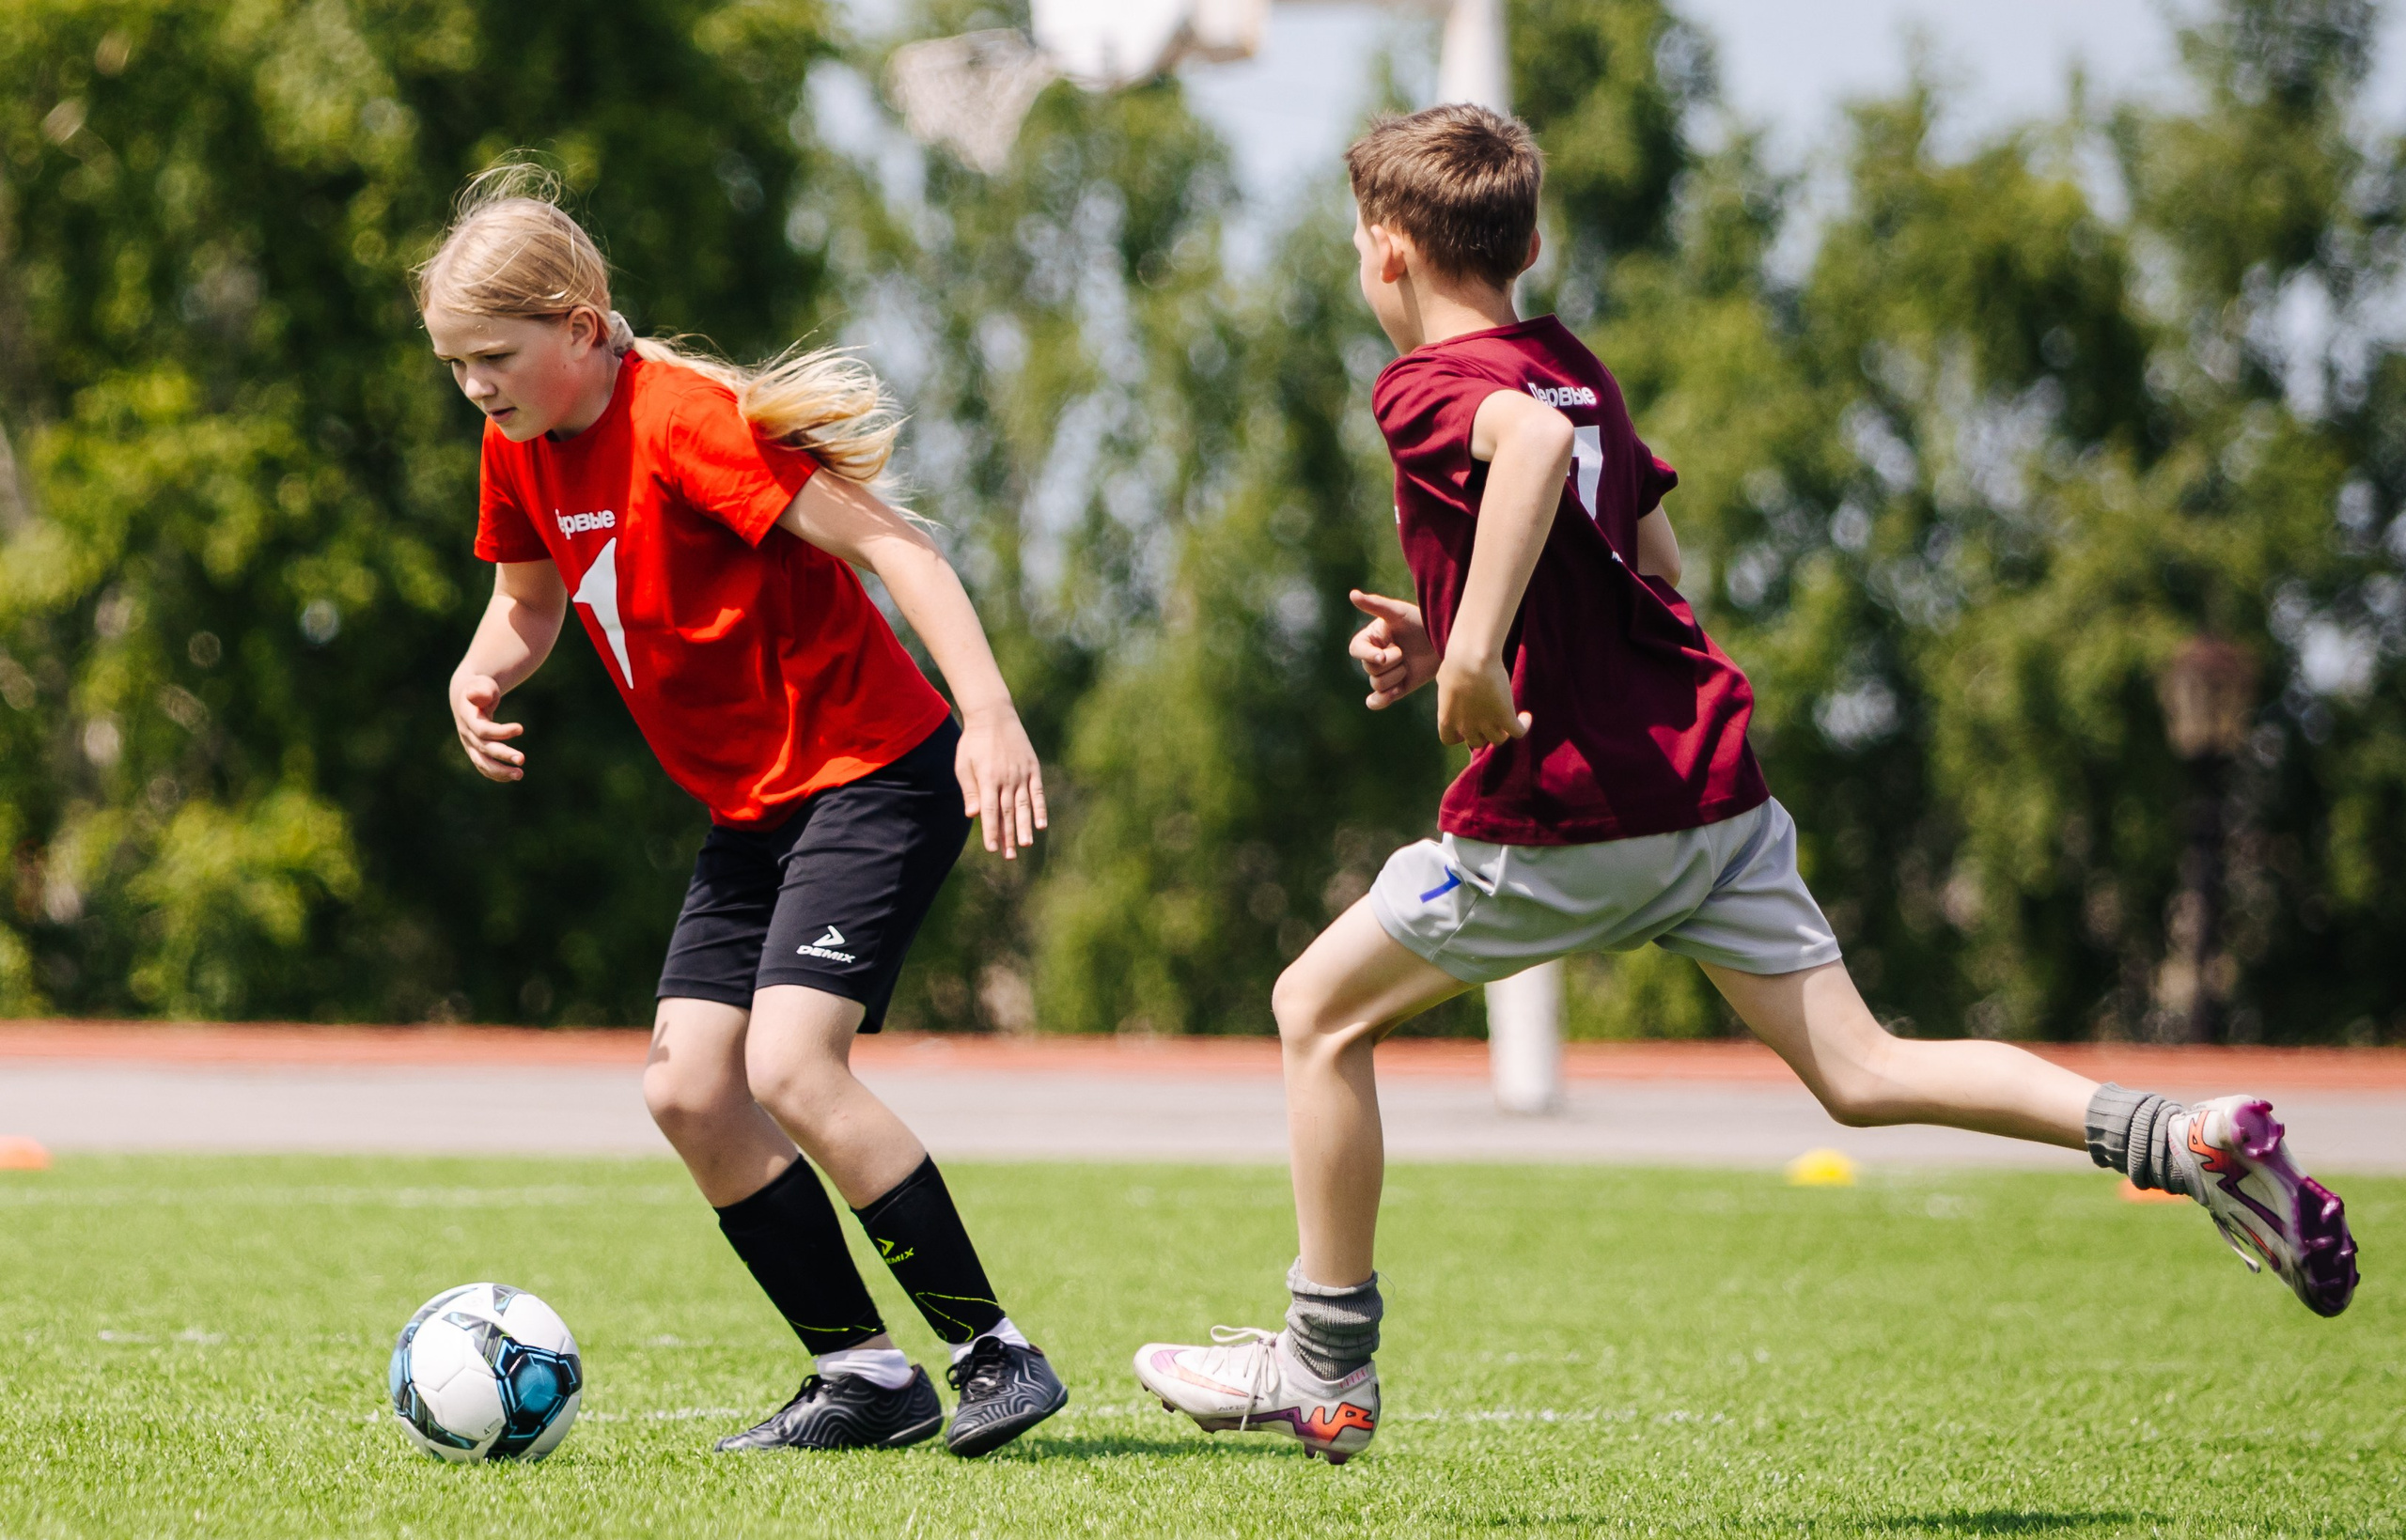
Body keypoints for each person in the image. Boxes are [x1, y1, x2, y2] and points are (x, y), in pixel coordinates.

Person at [1130, 105, 2359, 1465]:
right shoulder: (1574, 368)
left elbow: (1527, 462)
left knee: (1313, 1012)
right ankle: (2182, 1140)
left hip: (1572, 812)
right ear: (1529, 246)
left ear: (1385, 252)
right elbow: (1645, 563)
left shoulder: (1425, 384)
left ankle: (1324, 1369)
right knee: (1865, 1069)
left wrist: (1473, 660)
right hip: (1710, 797)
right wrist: (1460, 625)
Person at [423, 167, 1067, 1457]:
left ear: (581, 326)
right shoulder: (517, 447)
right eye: (456, 365)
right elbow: (530, 602)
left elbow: (897, 545)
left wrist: (991, 713)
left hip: (875, 773)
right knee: (688, 1089)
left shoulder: (687, 422)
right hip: (755, 814)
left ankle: (994, 1351)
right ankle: (865, 1378)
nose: (477, 387)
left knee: (790, 1065)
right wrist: (478, 672)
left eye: (494, 356)